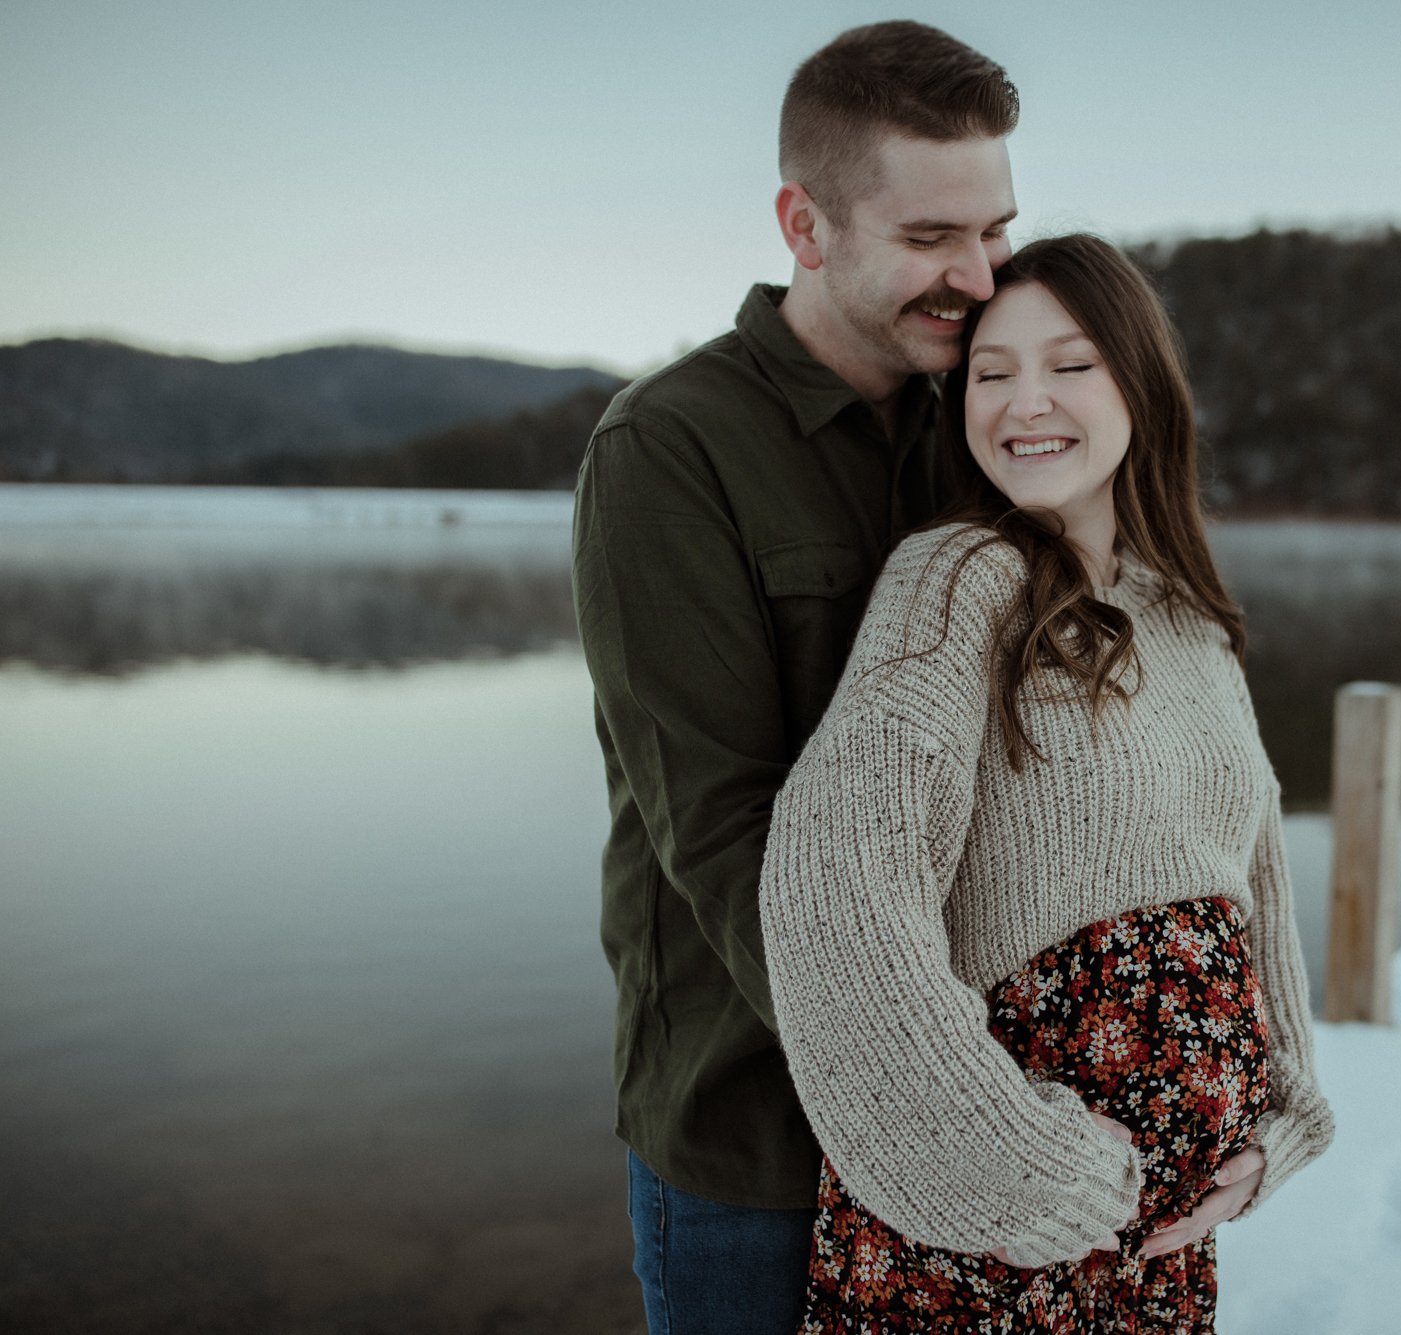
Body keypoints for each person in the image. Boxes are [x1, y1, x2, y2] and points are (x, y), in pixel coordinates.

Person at [759, 233, 1336, 1331]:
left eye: (1070, 365)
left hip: (1153, 1254)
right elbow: (831, 883)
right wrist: (1012, 1167)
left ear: (1139, 384)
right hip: (993, 1247)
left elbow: (1253, 881)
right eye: (991, 371)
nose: (1027, 401)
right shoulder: (957, 582)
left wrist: (1284, 1112)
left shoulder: (1189, 619)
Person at [570, 22, 1020, 1335]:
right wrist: (933, 1100)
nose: (979, 272)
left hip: (995, 1093)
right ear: (804, 223)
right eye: (933, 236)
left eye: (995, 229)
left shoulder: (996, 422)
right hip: (757, 1137)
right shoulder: (667, 447)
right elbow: (722, 826)